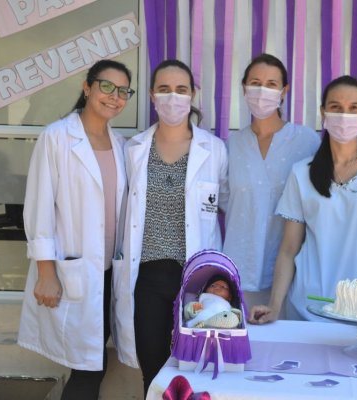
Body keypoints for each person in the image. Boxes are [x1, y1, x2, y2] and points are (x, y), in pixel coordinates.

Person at [249, 75, 357, 325]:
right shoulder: (302, 172)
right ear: (323, 112)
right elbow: (289, 249)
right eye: (335, 107)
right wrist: (275, 306)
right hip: (306, 309)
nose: (344, 116)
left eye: (354, 108)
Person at [112, 59, 228, 397]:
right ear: (151, 95)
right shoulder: (133, 149)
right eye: (164, 89)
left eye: (181, 90)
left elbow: (227, 204)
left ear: (192, 96)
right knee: (155, 373)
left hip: (194, 278)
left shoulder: (213, 150)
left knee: (196, 372)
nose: (172, 97)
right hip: (146, 277)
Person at [18, 59, 133, 399]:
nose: (114, 96)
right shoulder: (56, 138)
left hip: (110, 273)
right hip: (72, 273)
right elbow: (38, 207)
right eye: (106, 86)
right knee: (88, 369)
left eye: (123, 91)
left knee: (94, 364)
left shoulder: (122, 145)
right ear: (87, 87)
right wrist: (45, 272)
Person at [223, 54, 320, 310]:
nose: (262, 91)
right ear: (244, 88)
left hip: (289, 273)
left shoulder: (307, 142)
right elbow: (224, 200)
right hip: (238, 269)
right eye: (255, 82)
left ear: (284, 91)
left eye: (271, 84)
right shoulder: (231, 145)